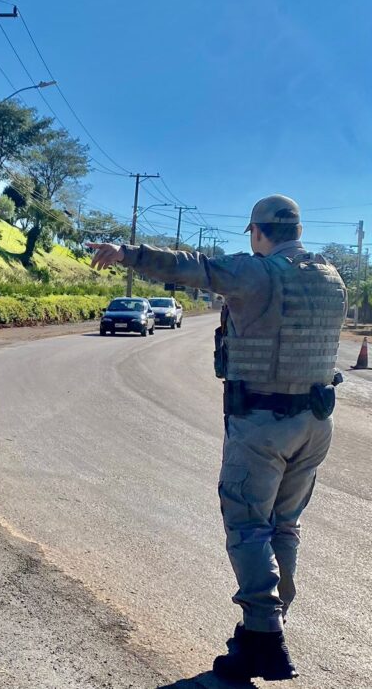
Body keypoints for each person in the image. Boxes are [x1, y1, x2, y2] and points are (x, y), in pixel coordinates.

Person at [87, 195, 345, 683]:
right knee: (284, 527)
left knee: (248, 527)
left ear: (257, 232)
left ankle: (264, 636)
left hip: (262, 423)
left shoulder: (259, 272)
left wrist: (126, 253)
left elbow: (195, 268)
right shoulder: (332, 276)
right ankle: (262, 631)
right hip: (315, 422)